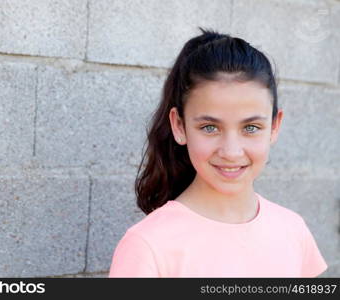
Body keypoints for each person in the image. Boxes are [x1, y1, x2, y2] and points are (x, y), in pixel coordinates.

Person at [108, 27, 328, 277]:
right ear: (179, 126)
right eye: (210, 127)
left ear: (274, 126)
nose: (231, 152)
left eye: (251, 127)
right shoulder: (148, 246)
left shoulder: (293, 231)